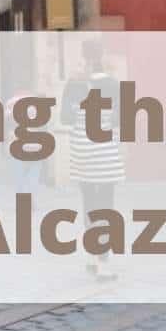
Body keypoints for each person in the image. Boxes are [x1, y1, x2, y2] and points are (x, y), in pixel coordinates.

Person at [67, 40, 124, 280]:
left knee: (89, 204)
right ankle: (103, 263)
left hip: (81, 152)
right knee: (106, 207)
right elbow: (121, 119)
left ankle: (91, 255)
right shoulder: (113, 85)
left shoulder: (74, 84)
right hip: (105, 153)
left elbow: (65, 117)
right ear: (103, 56)